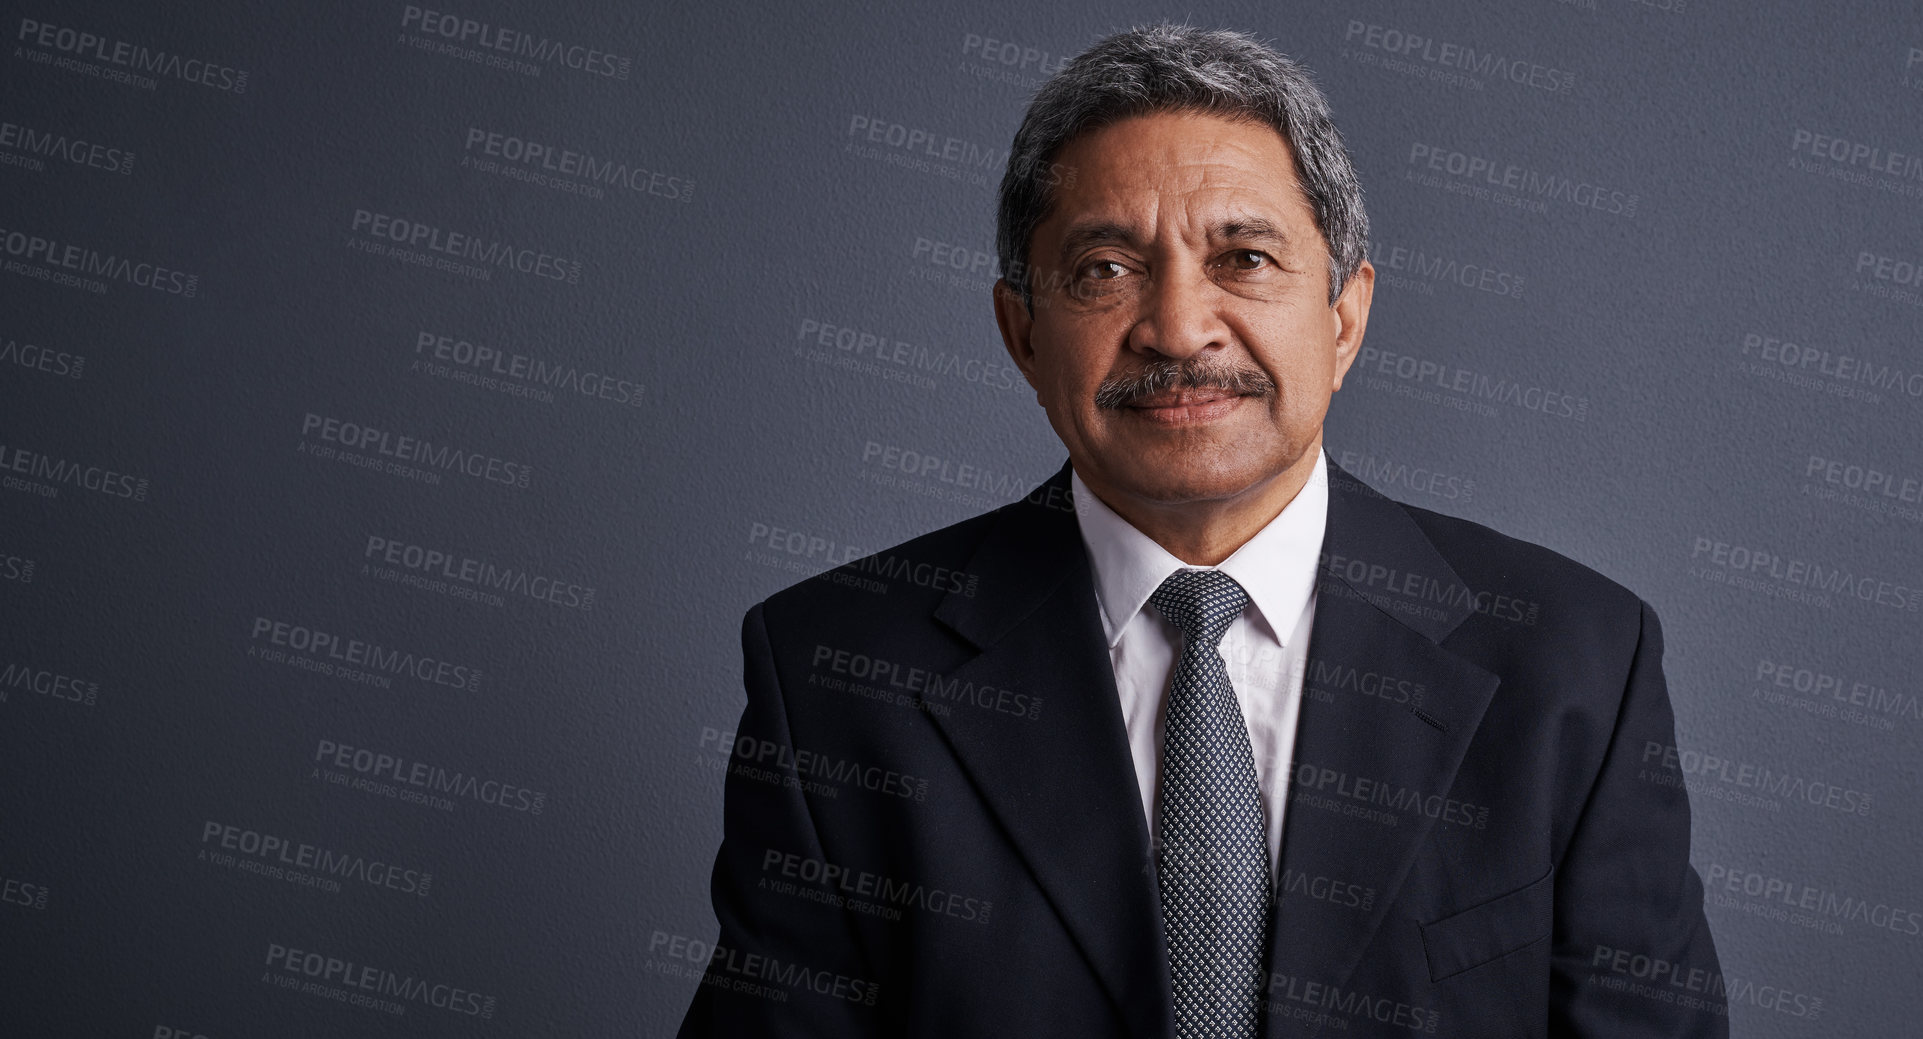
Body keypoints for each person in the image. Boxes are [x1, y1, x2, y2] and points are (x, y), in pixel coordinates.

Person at [680, 23, 1723, 1039]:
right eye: (1103, 269)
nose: (1178, 327)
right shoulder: (836, 671)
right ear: (1022, 332)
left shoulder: (1573, 661)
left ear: (1344, 315)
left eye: (1246, 257)